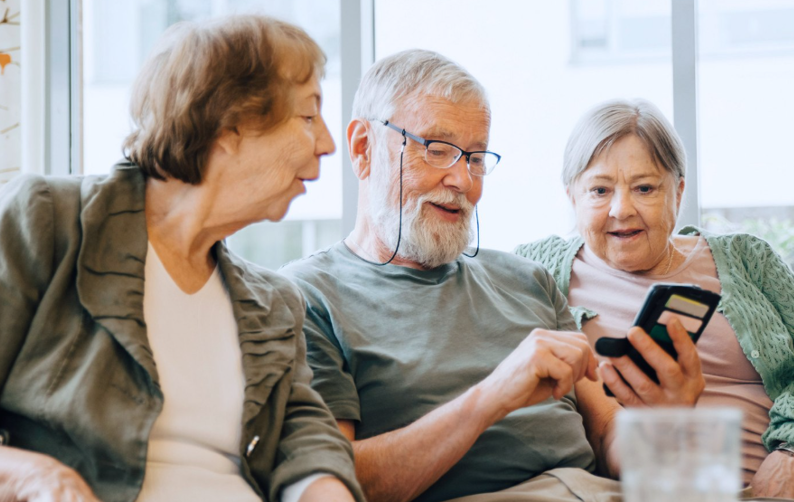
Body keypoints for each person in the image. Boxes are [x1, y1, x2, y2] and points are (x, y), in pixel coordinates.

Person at [0, 15, 363, 502]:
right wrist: (37, 479)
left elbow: (305, 441)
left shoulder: (275, 302)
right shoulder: (48, 221)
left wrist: (325, 489)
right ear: (232, 124)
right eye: (308, 117)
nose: (328, 144)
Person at [280, 49, 704, 502]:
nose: (463, 180)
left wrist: (668, 425)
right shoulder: (305, 297)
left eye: (476, 157)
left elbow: (605, 433)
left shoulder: (529, 280)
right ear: (364, 148)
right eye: (437, 150)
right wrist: (493, 396)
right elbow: (332, 481)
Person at [514, 98, 794, 500]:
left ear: (678, 191)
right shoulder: (535, 271)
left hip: (783, 487)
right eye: (600, 190)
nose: (621, 209)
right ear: (572, 197)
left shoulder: (748, 258)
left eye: (644, 188)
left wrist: (793, 454)